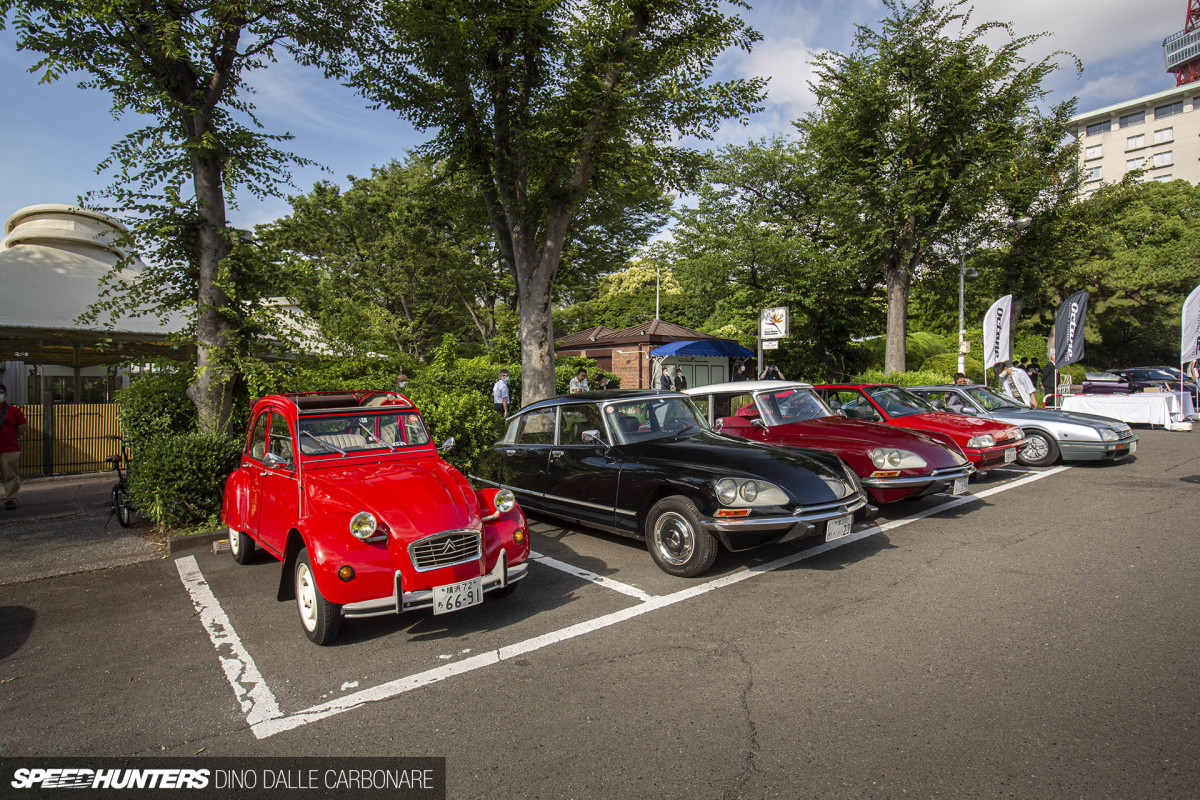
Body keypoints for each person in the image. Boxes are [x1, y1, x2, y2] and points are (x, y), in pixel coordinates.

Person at [0, 383, 27, 510]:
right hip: (9, 446)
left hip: (9, 448)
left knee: (10, 474)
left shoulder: (14, 411)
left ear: (5, 394)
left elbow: (22, 427)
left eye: (0, 392)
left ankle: (10, 499)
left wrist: (13, 437)